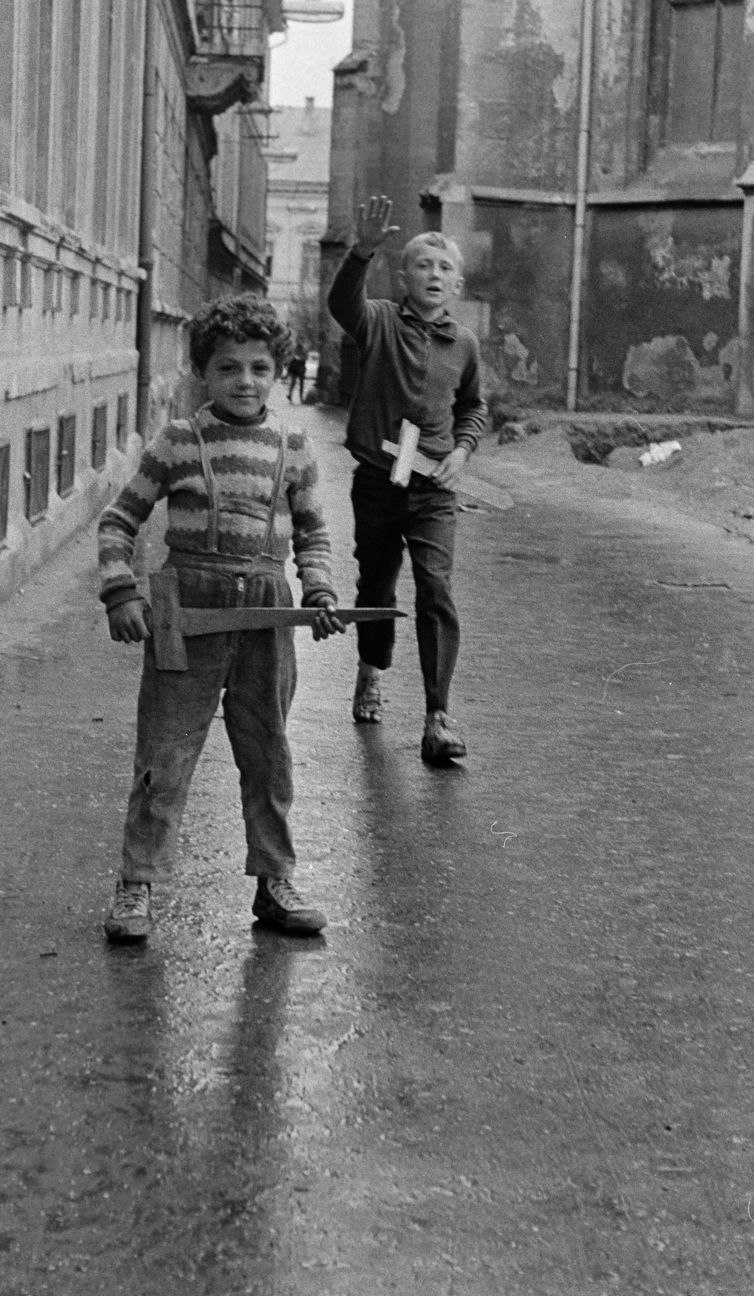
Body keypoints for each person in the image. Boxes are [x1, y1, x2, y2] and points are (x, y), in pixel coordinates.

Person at [97, 294, 345, 943]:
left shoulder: (293, 446)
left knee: (268, 754)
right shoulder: (178, 442)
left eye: (259, 368)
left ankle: (274, 880)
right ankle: (136, 883)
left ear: (277, 371)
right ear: (202, 373)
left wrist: (317, 592)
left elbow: (315, 534)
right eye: (229, 367)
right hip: (186, 611)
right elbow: (119, 521)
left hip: (266, 610)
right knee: (165, 752)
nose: (245, 381)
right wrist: (121, 594)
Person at [327, 196, 487, 765]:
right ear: (403, 277)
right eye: (423, 264)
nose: (434, 274)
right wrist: (361, 251)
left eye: (445, 268)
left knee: (436, 588)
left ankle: (437, 715)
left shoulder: (464, 345)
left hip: (433, 490)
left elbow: (473, 408)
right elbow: (341, 304)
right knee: (376, 587)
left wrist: (463, 452)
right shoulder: (379, 323)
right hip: (377, 479)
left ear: (458, 285)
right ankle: (371, 669)